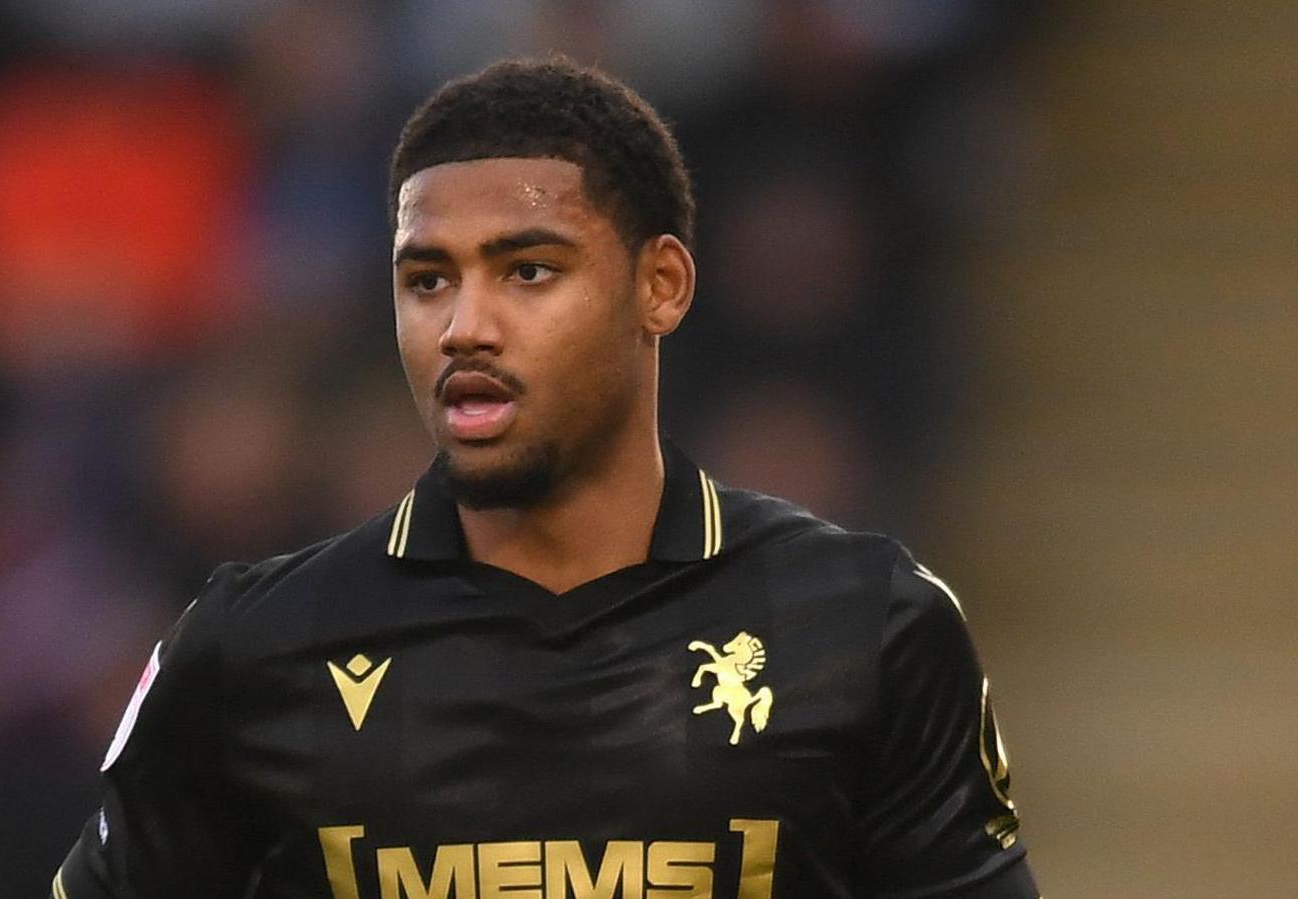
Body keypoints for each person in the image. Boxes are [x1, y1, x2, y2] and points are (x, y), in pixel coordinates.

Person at [51, 57, 1037, 899]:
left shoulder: (869, 626)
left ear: (661, 285)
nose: (464, 326)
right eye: (427, 278)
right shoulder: (249, 646)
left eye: (528, 270)